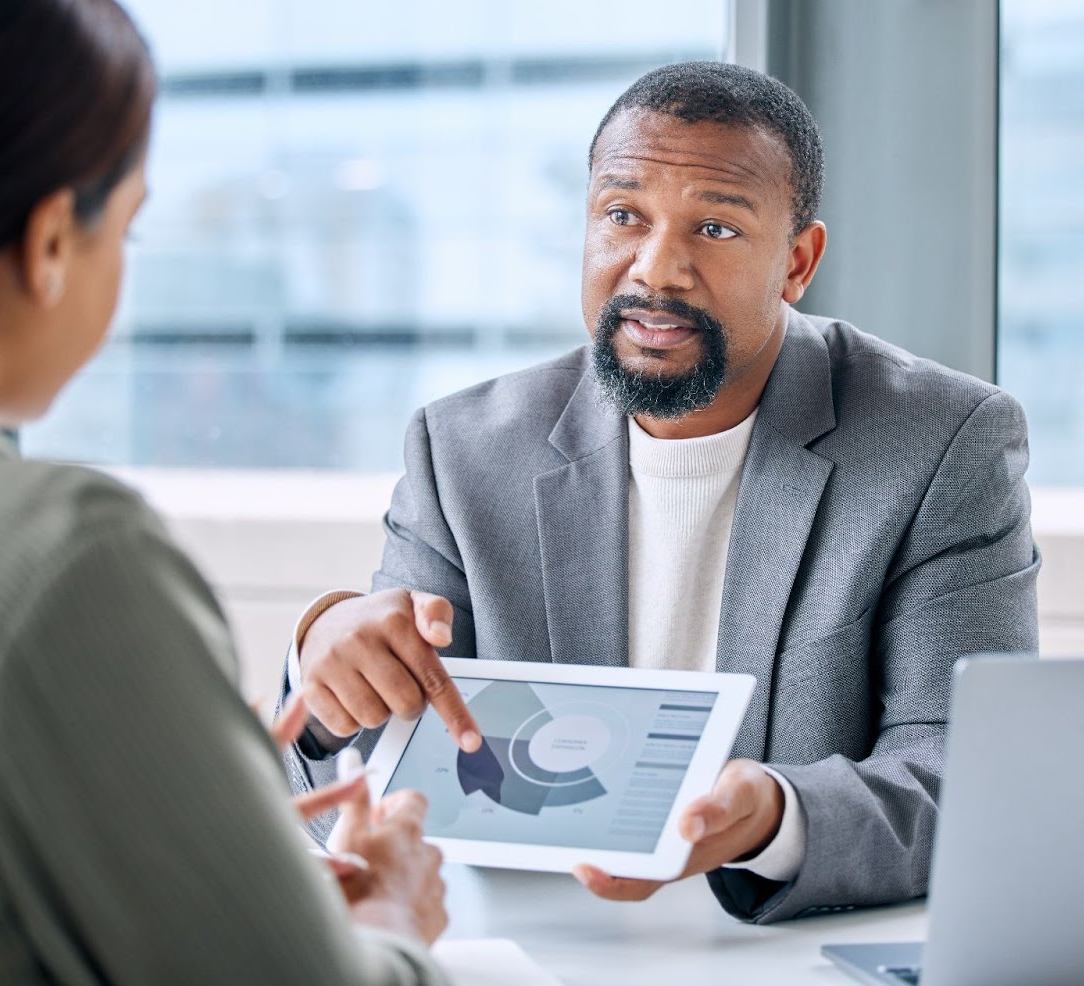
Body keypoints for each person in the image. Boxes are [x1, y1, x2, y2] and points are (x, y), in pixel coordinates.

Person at [0, 2, 448, 982]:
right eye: (131, 230)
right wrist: (393, 918)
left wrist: (209, 867)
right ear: (51, 242)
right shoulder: (56, 558)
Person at [282, 61, 1040, 925]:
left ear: (797, 262)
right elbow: (386, 760)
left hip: (784, 956)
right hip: (531, 952)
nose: (656, 269)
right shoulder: (463, 451)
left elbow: (965, 772)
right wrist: (325, 678)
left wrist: (776, 819)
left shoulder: (941, 442)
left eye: (714, 227)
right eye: (622, 216)